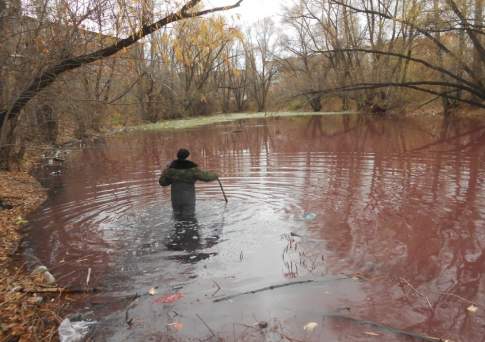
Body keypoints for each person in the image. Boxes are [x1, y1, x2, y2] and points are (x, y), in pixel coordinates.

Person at [159, 148, 219, 217]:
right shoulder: (192, 169)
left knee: (176, 218)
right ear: (187, 156)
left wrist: (165, 170)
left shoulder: (171, 170)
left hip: (175, 199)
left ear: (177, 156)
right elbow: (206, 177)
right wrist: (215, 175)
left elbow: (162, 182)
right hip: (188, 198)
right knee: (189, 218)